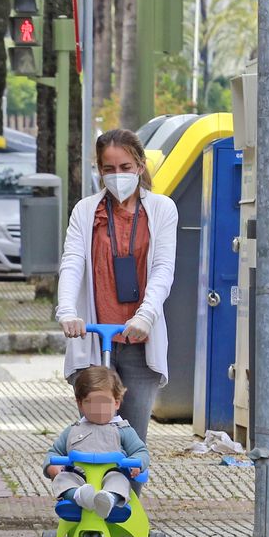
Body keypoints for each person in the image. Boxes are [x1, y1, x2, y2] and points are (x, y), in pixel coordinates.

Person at [55, 128, 178, 439]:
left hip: (139, 339)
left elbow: (163, 269)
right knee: (94, 434)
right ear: (99, 170)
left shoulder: (162, 209)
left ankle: (130, 490)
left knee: (132, 440)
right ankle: (90, 488)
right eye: (108, 169)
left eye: (125, 167)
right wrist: (67, 312)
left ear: (140, 165)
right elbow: (72, 263)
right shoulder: (85, 211)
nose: (117, 175)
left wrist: (146, 315)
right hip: (95, 337)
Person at [45, 366, 150, 520]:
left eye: (105, 403)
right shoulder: (73, 430)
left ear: (116, 403)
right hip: (79, 478)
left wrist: (136, 462)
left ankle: (109, 499)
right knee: (62, 480)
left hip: (110, 475)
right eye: (92, 403)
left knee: (119, 481)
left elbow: (140, 451)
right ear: (80, 403)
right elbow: (54, 452)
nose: (99, 409)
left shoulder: (123, 429)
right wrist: (51, 466)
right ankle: (78, 496)